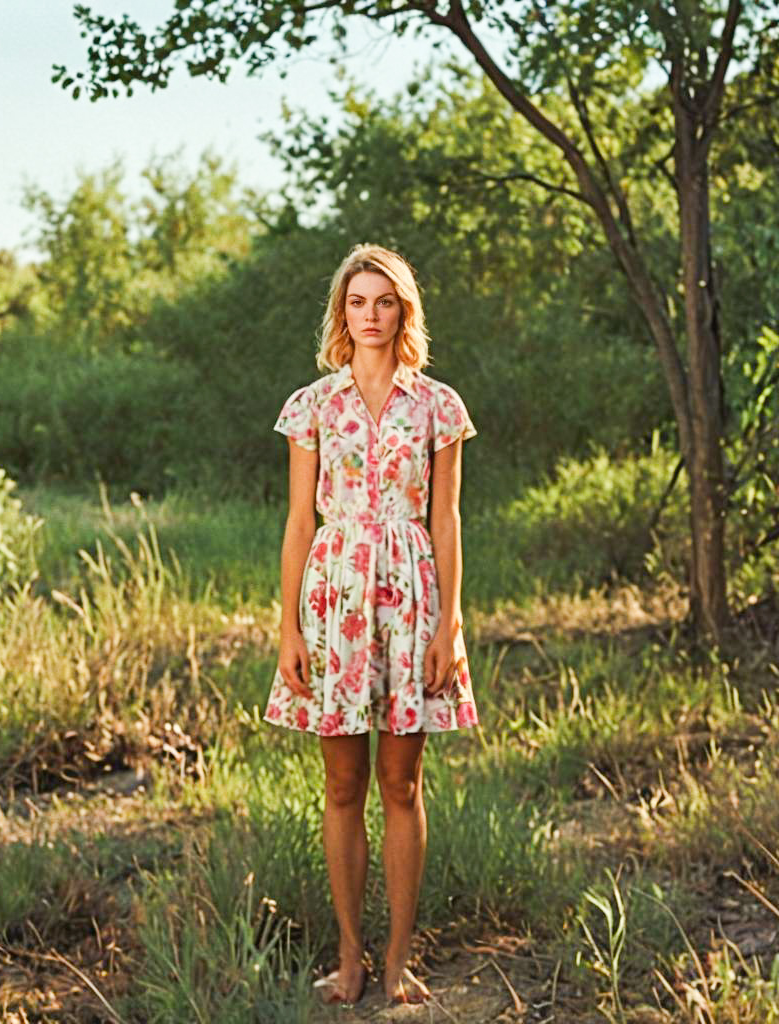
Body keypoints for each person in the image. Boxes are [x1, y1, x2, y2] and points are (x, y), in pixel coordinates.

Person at [264, 243, 478, 1007]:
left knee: (402, 780)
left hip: (412, 592)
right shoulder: (312, 405)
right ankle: (349, 959)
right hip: (334, 592)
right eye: (359, 301)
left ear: (404, 311)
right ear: (342, 313)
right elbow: (297, 521)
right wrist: (288, 627)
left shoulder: (438, 406)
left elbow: (447, 520)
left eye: (385, 301)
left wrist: (449, 624)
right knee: (343, 780)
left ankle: (397, 960)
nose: (372, 315)